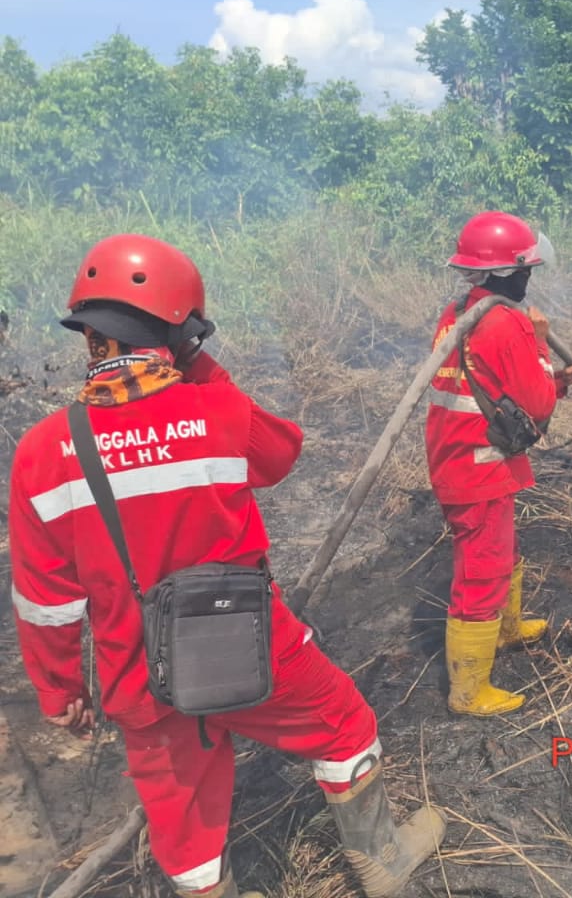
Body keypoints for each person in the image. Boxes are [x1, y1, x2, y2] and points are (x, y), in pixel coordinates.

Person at [8, 234, 445, 898]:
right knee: (344, 725)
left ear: (91, 337)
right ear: (179, 332)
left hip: (137, 672)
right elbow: (282, 454)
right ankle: (381, 862)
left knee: (181, 818)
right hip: (249, 647)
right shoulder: (213, 407)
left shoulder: (43, 451)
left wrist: (61, 690)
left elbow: (46, 601)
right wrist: (202, 367)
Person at [426, 211, 572, 717]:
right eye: (526, 270)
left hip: (462, 456)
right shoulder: (507, 320)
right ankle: (469, 692)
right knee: (481, 572)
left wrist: (557, 377)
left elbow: (497, 387)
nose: (529, 278)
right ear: (506, 272)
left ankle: (509, 630)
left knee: (499, 552)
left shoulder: (459, 312)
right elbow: (536, 407)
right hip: (478, 466)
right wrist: (540, 343)